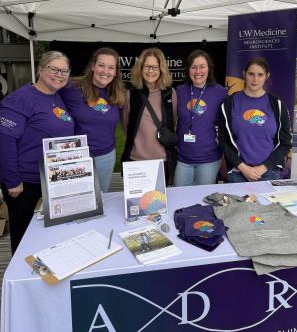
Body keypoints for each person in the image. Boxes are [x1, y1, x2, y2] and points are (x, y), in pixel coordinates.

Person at [0, 51, 74, 253]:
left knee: (46, 233)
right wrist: (12, 180)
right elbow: (5, 140)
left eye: (64, 71)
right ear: (40, 70)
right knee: (24, 234)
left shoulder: (56, 97)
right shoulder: (20, 99)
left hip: (51, 179)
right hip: (25, 183)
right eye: (54, 69)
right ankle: (21, 278)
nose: (59, 75)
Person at [217, 56, 292, 183]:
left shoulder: (278, 105)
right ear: (244, 74)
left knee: (268, 204)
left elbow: (285, 143)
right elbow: (223, 141)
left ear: (267, 76)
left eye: (260, 75)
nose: (255, 79)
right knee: (239, 203)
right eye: (251, 74)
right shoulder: (228, 104)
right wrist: (243, 167)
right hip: (238, 172)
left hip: (269, 172)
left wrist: (263, 167)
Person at [60, 47, 125, 192]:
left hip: (106, 155)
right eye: (101, 65)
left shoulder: (118, 94)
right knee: (78, 196)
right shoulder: (71, 88)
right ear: (93, 67)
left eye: (111, 68)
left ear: (115, 73)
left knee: (102, 196)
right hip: (77, 155)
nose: (105, 71)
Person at [121, 48, 177, 184]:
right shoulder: (130, 94)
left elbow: (172, 122)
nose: (150, 71)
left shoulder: (170, 93)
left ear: (161, 69)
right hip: (136, 159)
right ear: (140, 68)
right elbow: (125, 125)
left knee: (158, 202)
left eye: (155, 67)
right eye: (147, 66)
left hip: (162, 160)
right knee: (135, 204)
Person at [173, 50, 227, 187]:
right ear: (188, 69)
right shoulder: (179, 91)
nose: (198, 71)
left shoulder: (220, 92)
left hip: (209, 158)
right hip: (183, 157)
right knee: (180, 198)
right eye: (194, 67)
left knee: (203, 200)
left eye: (202, 66)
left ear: (209, 68)